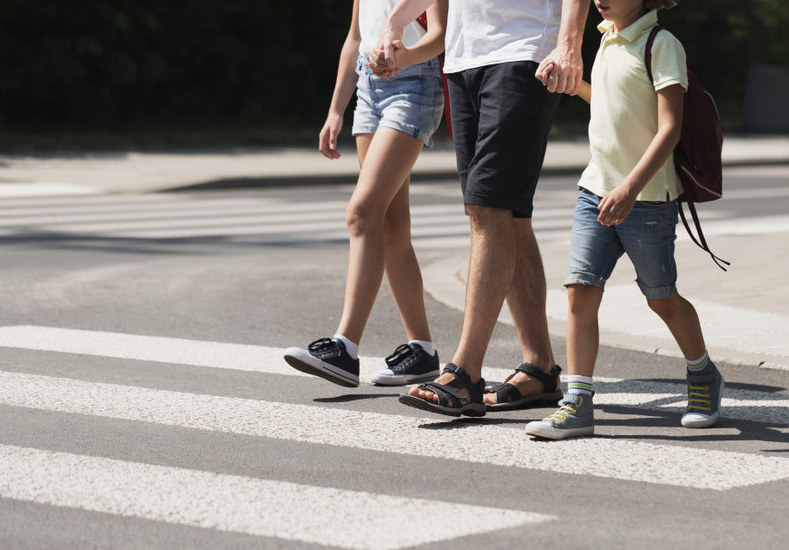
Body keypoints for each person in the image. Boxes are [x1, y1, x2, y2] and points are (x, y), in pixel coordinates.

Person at [374, 0, 591, 417]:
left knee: (488, 208)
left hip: (524, 52)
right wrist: (394, 22)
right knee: (510, 215)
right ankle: (540, 368)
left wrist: (569, 44)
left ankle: (465, 373)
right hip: (464, 57)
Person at [525, 0, 725, 440]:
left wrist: (630, 189)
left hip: (647, 201)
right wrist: (573, 84)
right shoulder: (606, 39)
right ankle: (577, 403)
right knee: (580, 290)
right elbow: (610, 104)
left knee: (661, 298)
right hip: (595, 190)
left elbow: (668, 127)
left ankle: (703, 374)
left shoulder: (663, 44)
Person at [282, 0, 447, 388]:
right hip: (369, 92)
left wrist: (403, 58)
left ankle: (344, 347)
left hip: (413, 87)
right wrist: (336, 110)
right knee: (390, 226)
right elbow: (355, 38)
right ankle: (422, 351)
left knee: (361, 212)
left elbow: (440, 37)